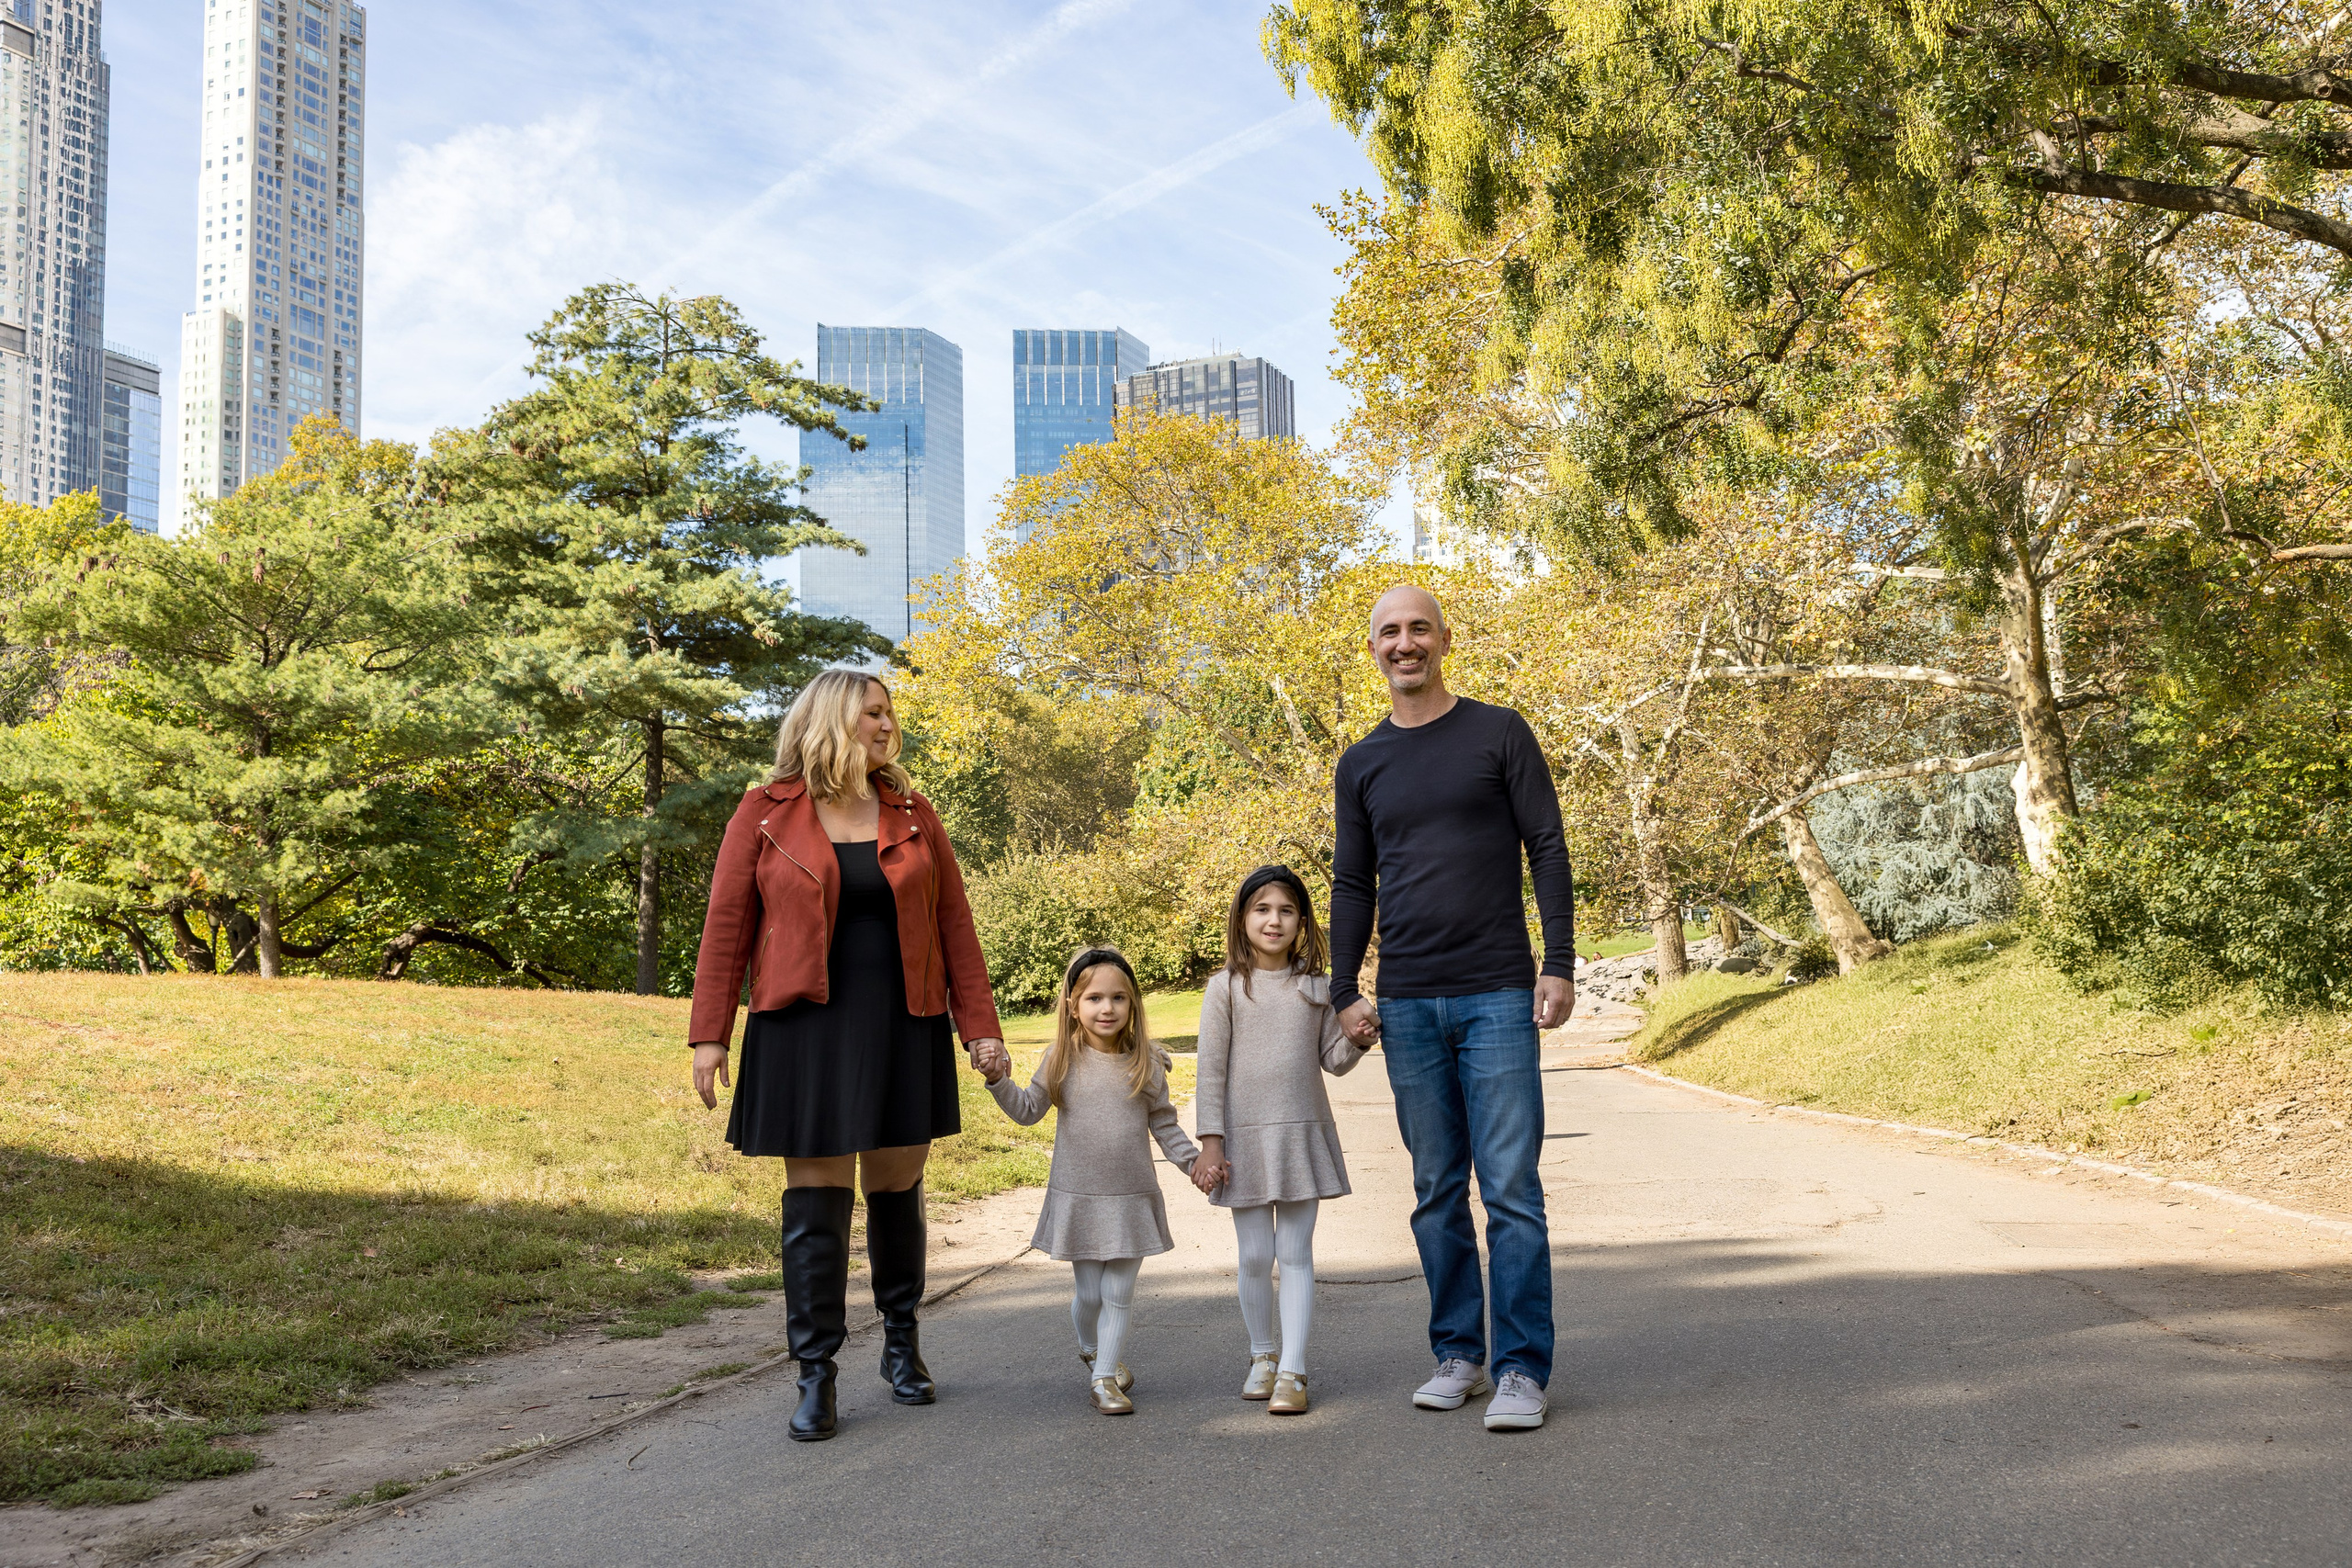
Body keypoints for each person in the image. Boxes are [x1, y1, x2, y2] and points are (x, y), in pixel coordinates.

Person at [687, 668, 1012, 1443]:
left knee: (898, 1183)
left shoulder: (911, 811)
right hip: (804, 1027)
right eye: (873, 711)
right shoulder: (764, 813)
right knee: (817, 1198)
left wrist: (982, 1027)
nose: (885, 724)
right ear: (833, 719)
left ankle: (902, 1345)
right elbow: (727, 922)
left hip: (904, 1019)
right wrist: (709, 1033)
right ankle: (815, 1374)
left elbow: (955, 926)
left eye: (889, 713)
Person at [1329, 584, 1576, 1433]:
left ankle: (1519, 1368)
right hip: (1405, 1001)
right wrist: (1344, 991)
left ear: (1444, 641)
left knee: (1509, 1188)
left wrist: (1560, 964)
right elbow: (1352, 882)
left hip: (1499, 992)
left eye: (1419, 628)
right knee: (1436, 1189)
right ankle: (1459, 1355)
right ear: (1374, 650)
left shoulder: (1499, 732)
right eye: (1390, 632)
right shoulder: (1360, 763)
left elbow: (1546, 843)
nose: (1406, 643)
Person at [978, 947, 1201, 1416]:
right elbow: (1026, 1111)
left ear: (1133, 1005)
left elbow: (1166, 1126)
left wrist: (1195, 1164)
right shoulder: (1060, 1058)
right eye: (1095, 998)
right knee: (1089, 1294)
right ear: (1072, 1005)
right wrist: (999, 1079)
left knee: (1119, 1292)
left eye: (1119, 998)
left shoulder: (1146, 1063)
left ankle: (1103, 1378)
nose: (1107, 1008)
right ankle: (1091, 1347)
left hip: (1131, 1196)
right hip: (1080, 1197)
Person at [1190, 864, 1367, 1416]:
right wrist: (1211, 1142)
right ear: (1242, 919)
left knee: (1294, 1253)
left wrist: (1360, 1038)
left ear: (1302, 922)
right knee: (1254, 1256)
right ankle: (1262, 1355)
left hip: (1300, 1136)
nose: (1274, 920)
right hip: (1241, 1140)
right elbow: (1210, 1070)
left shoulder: (1316, 987)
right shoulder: (1225, 988)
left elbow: (1333, 1061)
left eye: (1286, 910)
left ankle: (1294, 1367)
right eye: (1262, 909)